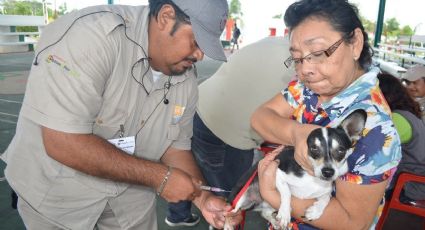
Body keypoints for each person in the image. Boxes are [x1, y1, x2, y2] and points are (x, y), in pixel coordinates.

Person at [0, 1, 243, 229]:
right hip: (59, 195)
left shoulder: (184, 77)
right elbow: (62, 142)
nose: (200, 55)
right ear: (166, 17)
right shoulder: (89, 38)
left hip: (130, 196)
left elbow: (175, 147)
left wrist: (202, 197)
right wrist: (160, 177)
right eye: (196, 41)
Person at [251, 0, 401, 229]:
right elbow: (260, 117)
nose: (305, 69)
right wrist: (299, 133)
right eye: (298, 58)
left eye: (318, 53)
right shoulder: (308, 89)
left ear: (355, 44)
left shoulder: (375, 130)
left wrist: (272, 194)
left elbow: (351, 222)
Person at [165, 36, 296, 227]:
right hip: (225, 129)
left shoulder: (276, 41)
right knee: (228, 199)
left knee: (187, 167)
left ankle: (178, 214)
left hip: (200, 106)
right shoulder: (308, 66)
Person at [377, 73, 425, 202]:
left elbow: (378, 148)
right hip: (415, 180)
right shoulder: (407, 113)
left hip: (409, 185)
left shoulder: (398, 119)